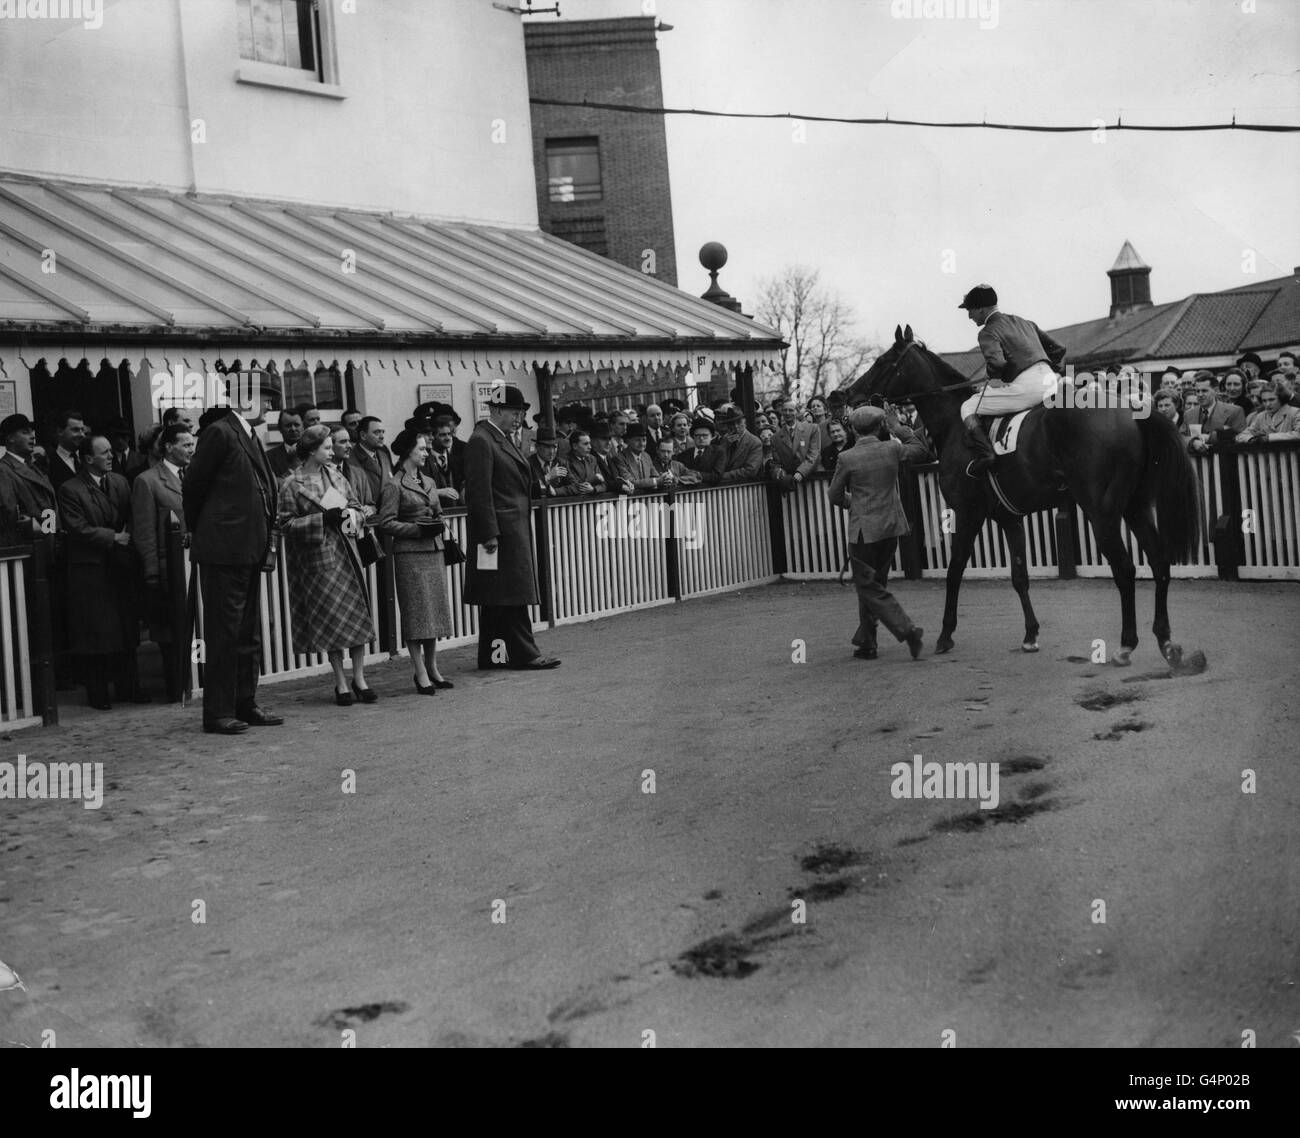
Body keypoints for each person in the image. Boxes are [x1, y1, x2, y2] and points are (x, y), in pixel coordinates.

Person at [183, 405, 282, 735]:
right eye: (263, 397)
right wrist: (209, 529)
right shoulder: (220, 432)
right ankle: (218, 711)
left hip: (247, 548)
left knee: (247, 633)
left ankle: (244, 702)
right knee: (223, 634)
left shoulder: (249, 435)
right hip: (224, 549)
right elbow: (194, 486)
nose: (268, 406)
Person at [277, 425, 377, 706]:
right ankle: (340, 681)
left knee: (357, 615)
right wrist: (322, 520)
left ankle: (359, 677)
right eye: (327, 448)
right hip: (318, 558)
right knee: (332, 619)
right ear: (312, 450)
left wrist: (351, 516)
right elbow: (284, 523)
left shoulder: (336, 475)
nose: (333, 452)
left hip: (348, 552)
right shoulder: (291, 483)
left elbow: (359, 507)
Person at [464, 385, 559, 671]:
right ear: (496, 411)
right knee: (511, 594)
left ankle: (494, 655)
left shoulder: (497, 438)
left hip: (507, 528)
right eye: (514, 412)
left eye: (520, 413)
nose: (519, 418)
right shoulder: (483, 440)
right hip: (501, 532)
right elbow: (479, 492)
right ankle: (525, 653)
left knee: (496, 597)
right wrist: (489, 533)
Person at [827, 406, 928, 661]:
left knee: (868, 587)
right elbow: (919, 447)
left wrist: (856, 504)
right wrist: (897, 426)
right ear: (879, 427)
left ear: (852, 429)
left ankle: (908, 630)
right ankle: (867, 643)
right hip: (890, 527)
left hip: (863, 532)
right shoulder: (892, 448)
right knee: (875, 585)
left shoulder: (847, 457)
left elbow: (834, 495)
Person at [57, 434, 147, 708]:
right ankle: (98, 693)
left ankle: (128, 687)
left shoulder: (120, 482)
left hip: (120, 565)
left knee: (126, 629)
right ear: (87, 459)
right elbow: (77, 527)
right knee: (95, 635)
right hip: (91, 570)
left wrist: (128, 536)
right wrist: (113, 537)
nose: (111, 456)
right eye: (104, 452)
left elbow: (133, 515)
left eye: (111, 451)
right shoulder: (70, 489)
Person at [957, 284, 1067, 478]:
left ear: (981, 309)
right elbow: (1059, 349)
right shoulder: (1025, 322)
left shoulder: (987, 332)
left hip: (1028, 388)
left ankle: (986, 455)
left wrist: (993, 377)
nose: (969, 316)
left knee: (967, 406)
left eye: (970, 310)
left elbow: (997, 363)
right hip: (1052, 381)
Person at [376, 429, 454, 693]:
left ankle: (433, 668)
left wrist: (438, 523)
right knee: (415, 616)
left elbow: (438, 512)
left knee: (432, 614)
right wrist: (417, 529)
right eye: (421, 449)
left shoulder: (429, 481)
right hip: (410, 555)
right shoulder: (393, 484)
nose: (425, 453)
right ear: (408, 451)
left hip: (433, 551)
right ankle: (420, 672)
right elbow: (385, 522)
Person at [130, 423, 194, 702]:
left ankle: (196, 681)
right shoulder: (148, 481)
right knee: (170, 631)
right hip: (169, 569)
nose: (192, 450)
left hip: (197, 563)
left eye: (193, 445)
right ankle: (175, 686)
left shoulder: (194, 476)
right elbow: (143, 532)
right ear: (169, 447)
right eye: (186, 445)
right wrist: (152, 573)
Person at [0, 413, 58, 546]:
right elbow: (11, 517)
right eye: (25, 432)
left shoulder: (33, 468)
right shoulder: (4, 470)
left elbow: (50, 507)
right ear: (10, 438)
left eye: (32, 431)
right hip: (29, 551)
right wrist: (39, 527)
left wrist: (50, 529)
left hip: (47, 546)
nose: (32, 436)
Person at [699, 404, 763, 484]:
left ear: (745, 421)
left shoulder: (754, 442)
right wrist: (724, 446)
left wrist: (720, 476)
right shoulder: (725, 439)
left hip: (744, 487)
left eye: (739, 422)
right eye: (732, 424)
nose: (736, 427)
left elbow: (749, 471)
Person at [1184, 371, 1246, 453]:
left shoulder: (1235, 411)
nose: (1200, 394)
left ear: (1216, 390)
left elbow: (1239, 437)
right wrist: (1193, 442)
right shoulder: (1189, 414)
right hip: (1198, 463)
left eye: (1204, 391)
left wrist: (1210, 438)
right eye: (1197, 391)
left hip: (1225, 461)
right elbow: (1181, 437)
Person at [769, 399, 822, 490]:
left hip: (812, 479)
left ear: (797, 412)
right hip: (790, 483)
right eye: (785, 410)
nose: (787, 413)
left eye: (791, 410)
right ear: (781, 412)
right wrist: (780, 472)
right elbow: (777, 462)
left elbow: (813, 454)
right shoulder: (775, 438)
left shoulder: (812, 429)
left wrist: (801, 472)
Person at [348, 416, 392, 504]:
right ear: (363, 435)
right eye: (377, 432)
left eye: (383, 432)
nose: (382, 437)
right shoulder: (351, 458)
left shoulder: (383, 455)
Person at [529, 427, 577, 497]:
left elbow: (575, 487)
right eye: (547, 447)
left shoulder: (562, 463)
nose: (552, 452)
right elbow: (526, 489)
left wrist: (556, 491)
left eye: (554, 447)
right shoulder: (528, 464)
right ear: (537, 447)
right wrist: (548, 477)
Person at [613, 423, 662, 491]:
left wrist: (664, 479)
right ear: (628, 441)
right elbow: (630, 482)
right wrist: (656, 481)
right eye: (637, 440)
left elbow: (656, 476)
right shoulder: (620, 458)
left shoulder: (646, 456)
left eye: (644, 440)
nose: (642, 444)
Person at [427, 415, 464, 503]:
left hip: (455, 512)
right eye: (442, 435)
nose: (448, 438)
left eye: (449, 434)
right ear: (433, 437)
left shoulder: (458, 459)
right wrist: (438, 492)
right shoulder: (425, 460)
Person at [48, 409, 89, 489]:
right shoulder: (48, 464)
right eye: (76, 430)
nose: (82, 435)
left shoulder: (89, 459)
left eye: (82, 430)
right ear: (60, 431)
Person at [589, 421, 632, 493]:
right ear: (593, 441)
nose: (608, 442)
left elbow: (616, 478)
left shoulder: (610, 458)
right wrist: (621, 486)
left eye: (609, 439)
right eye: (604, 439)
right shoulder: (590, 459)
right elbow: (604, 481)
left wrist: (627, 483)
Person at [563, 430, 604, 495]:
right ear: (575, 446)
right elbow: (576, 486)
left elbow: (604, 484)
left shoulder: (592, 459)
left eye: (589, 443)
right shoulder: (565, 461)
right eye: (585, 444)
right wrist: (595, 479)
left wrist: (594, 489)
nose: (590, 447)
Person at [266, 410, 303, 481]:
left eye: (297, 425)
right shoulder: (268, 458)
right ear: (280, 428)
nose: (293, 429)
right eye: (288, 425)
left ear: (303, 426)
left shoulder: (316, 452)